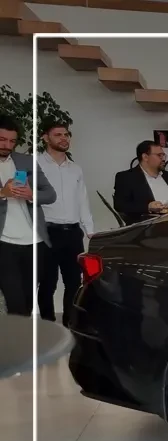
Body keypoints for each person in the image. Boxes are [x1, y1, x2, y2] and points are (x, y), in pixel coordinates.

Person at [0, 115, 57, 318]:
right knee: (15, 302)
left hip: (35, 242)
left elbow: (51, 194)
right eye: (2, 140)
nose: (7, 146)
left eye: (12, 141)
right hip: (4, 244)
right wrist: (2, 193)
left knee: (28, 302)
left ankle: (21, 335)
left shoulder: (26, 161)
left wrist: (31, 195)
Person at [37, 122, 94, 324]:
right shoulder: (34, 164)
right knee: (47, 282)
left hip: (72, 233)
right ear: (45, 138)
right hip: (46, 232)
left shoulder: (75, 169)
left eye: (66, 134)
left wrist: (90, 229)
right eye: (58, 134)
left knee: (74, 282)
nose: (64, 138)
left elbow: (82, 199)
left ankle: (69, 325)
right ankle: (47, 325)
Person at [113, 140, 168, 226]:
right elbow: (120, 205)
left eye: (163, 155)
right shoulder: (126, 177)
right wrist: (148, 207)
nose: (163, 159)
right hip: (148, 228)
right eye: (159, 155)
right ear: (145, 157)